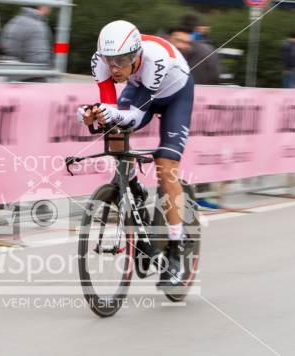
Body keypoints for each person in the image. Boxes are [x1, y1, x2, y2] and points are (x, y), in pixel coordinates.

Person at [76, 20, 196, 289]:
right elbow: (109, 108)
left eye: (121, 61)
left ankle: (175, 250)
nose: (115, 68)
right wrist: (90, 114)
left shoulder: (155, 60)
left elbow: (138, 115)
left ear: (136, 55)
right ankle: (132, 187)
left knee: (165, 165)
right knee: (114, 130)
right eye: (110, 61)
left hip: (175, 94)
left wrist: (111, 114)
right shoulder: (101, 62)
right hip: (140, 87)